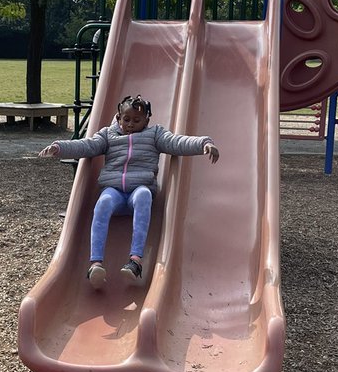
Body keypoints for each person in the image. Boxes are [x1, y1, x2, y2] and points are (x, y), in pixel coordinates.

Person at [39, 93, 219, 288]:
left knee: (144, 195)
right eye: (126, 119)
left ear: (147, 120)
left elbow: (177, 142)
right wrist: (59, 147)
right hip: (114, 191)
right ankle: (96, 263)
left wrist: (204, 144)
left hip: (138, 190)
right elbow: (86, 145)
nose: (131, 124)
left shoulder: (155, 135)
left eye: (137, 120)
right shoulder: (108, 135)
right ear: (118, 117)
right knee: (103, 202)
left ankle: (135, 261)